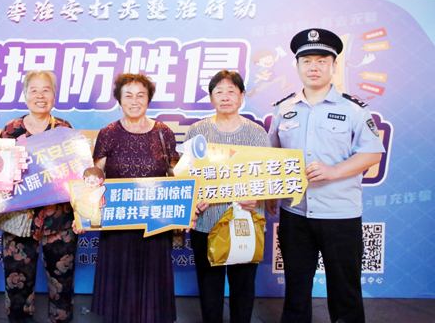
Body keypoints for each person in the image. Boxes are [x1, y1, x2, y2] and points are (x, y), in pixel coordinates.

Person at [268, 29, 385, 323]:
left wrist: (333, 171)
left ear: (334, 65)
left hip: (340, 214)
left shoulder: (353, 109)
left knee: (345, 290)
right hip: (295, 212)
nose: (314, 67)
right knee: (296, 288)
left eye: (322, 61)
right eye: (307, 61)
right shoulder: (284, 109)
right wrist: (270, 192)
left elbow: (372, 153)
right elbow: (272, 155)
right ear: (297, 66)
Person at [185, 70, 274, 323]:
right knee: (209, 287)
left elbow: (269, 175)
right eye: (219, 92)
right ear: (211, 97)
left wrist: (256, 196)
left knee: (243, 287)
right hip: (206, 222)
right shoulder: (197, 131)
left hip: (245, 222)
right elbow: (186, 174)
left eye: (231, 91)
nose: (225, 97)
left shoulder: (257, 133)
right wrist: (194, 199)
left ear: (242, 96)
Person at [90, 73, 179, 323]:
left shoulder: (163, 132)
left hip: (155, 221)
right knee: (119, 283)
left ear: (149, 99)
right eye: (128, 95)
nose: (134, 101)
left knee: (153, 282)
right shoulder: (108, 133)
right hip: (117, 221)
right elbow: (95, 177)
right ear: (119, 100)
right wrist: (86, 211)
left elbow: (176, 176)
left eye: (141, 95)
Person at [0, 70, 77, 323]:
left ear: (54, 95)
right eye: (34, 90)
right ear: (25, 95)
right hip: (18, 220)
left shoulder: (64, 129)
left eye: (46, 90)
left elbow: (77, 175)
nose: (40, 96)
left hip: (60, 220)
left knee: (62, 284)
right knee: (17, 284)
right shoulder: (10, 131)